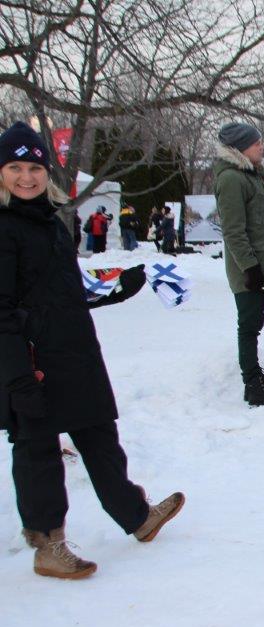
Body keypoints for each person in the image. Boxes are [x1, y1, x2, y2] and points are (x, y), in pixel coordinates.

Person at [0, 121, 184, 579]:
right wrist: (17, 376)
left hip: (74, 352)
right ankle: (48, 545)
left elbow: (63, 289)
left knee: (100, 436)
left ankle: (137, 517)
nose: (27, 177)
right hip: (32, 359)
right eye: (15, 167)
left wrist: (118, 285)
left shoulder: (50, 221)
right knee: (37, 451)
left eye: (35, 167)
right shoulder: (4, 229)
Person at [214, 121, 264, 406]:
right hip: (250, 270)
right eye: (255, 143)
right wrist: (249, 266)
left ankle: (257, 379)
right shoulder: (231, 179)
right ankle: (252, 384)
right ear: (239, 148)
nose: (261, 146)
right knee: (248, 327)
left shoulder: (252, 176)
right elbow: (233, 230)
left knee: (255, 324)